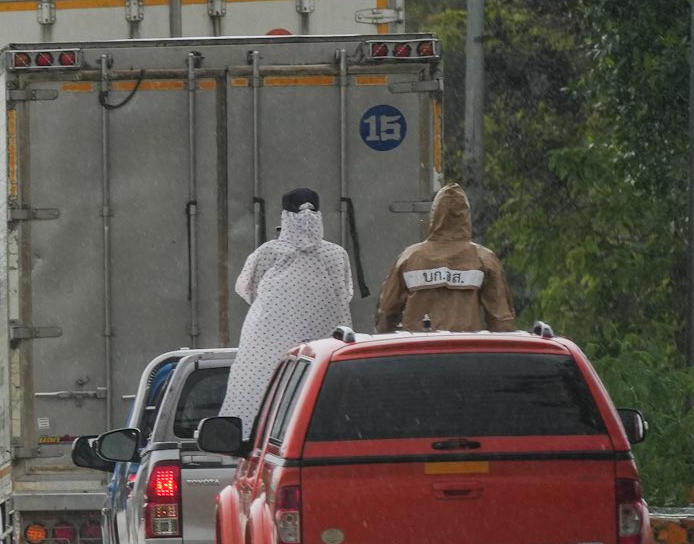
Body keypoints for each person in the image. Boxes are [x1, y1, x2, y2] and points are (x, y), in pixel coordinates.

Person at [218, 187, 354, 427]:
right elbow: (346, 293)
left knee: (263, 394)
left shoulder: (267, 253)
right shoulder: (336, 254)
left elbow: (248, 289)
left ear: (284, 216)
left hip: (270, 349)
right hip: (326, 350)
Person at [374, 182, 516, 333]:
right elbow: (501, 319)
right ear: (466, 216)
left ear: (434, 216)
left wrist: (387, 344)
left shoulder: (409, 258)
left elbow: (386, 313)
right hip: (466, 350)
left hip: (417, 350)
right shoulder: (483, 259)